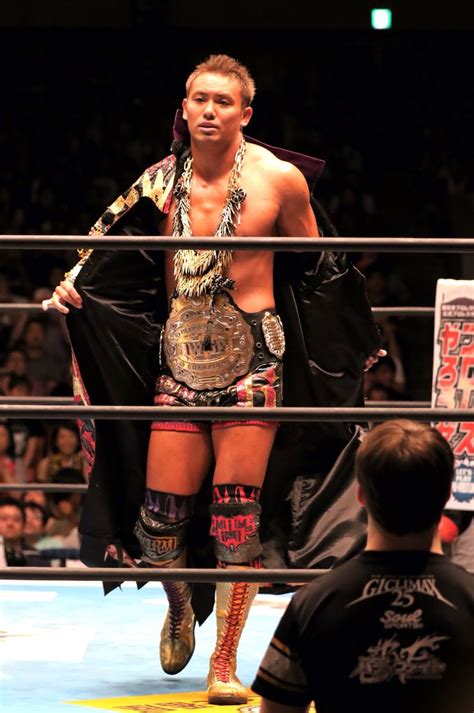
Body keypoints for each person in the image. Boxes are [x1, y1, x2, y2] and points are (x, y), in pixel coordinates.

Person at [47, 54, 382, 704]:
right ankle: (179, 604)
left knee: (237, 518)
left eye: (222, 101)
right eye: (198, 98)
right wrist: (72, 288)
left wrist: (339, 349)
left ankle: (224, 664)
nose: (207, 110)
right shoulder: (156, 183)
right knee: (158, 525)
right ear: (185, 106)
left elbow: (316, 267)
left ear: (245, 113)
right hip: (179, 355)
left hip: (255, 355)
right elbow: (100, 247)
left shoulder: (278, 181)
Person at [252, 420, 474, 713]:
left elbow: (278, 710)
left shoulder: (314, 602)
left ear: (360, 496)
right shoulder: (470, 599)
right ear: (448, 495)